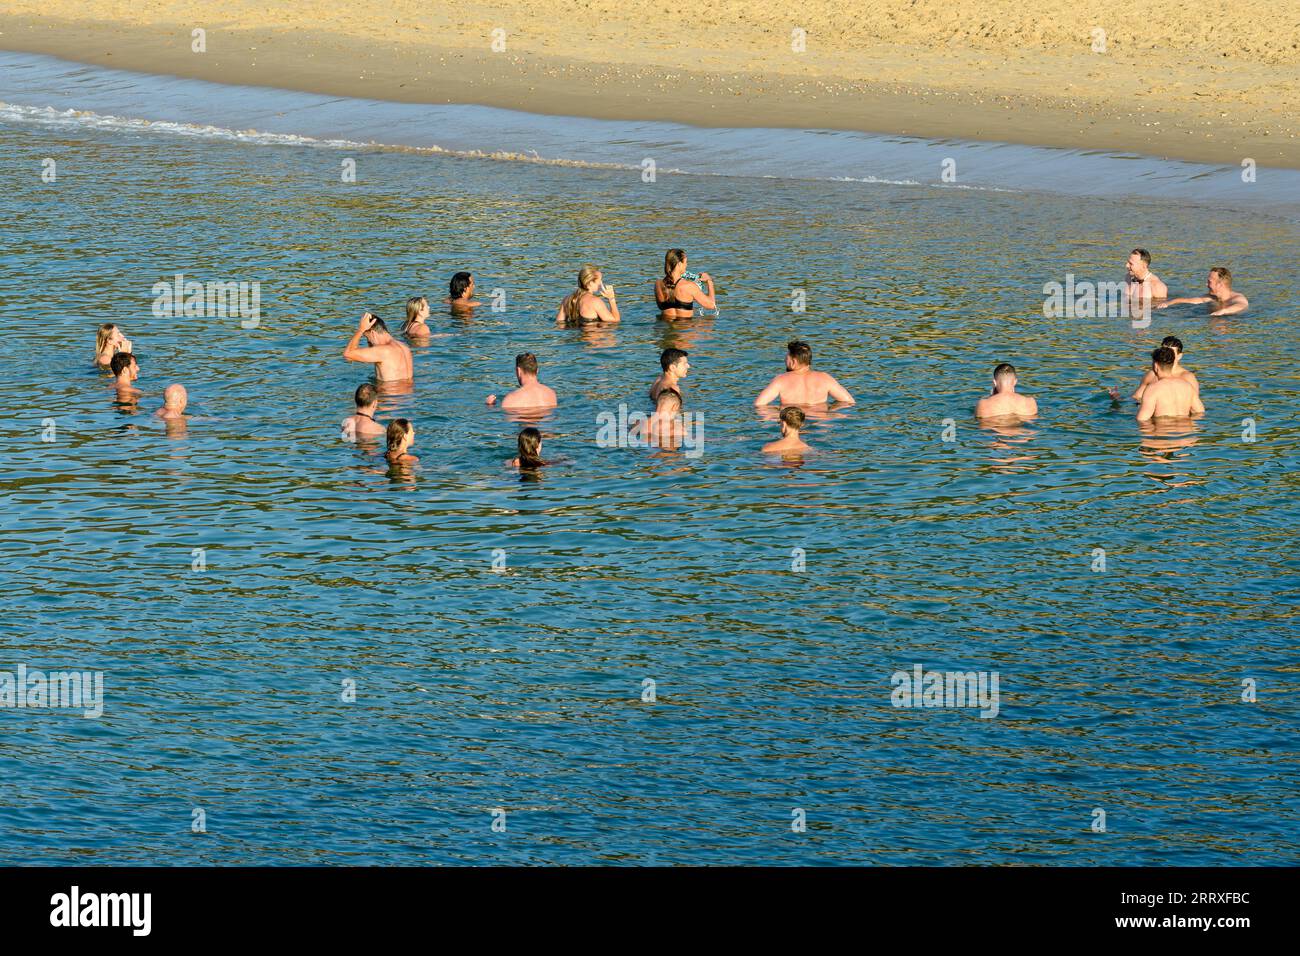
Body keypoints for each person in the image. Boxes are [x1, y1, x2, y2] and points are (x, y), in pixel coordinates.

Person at [754, 341, 855, 407]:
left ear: (793, 361)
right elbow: (849, 402)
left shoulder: (781, 380)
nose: (785, 359)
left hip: (793, 424)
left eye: (787, 357)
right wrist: (829, 413)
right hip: (819, 425)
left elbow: (759, 404)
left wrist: (778, 416)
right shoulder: (825, 378)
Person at [1136, 347, 1205, 422]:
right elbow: (1199, 412)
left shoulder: (1152, 389)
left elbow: (1142, 420)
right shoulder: (1187, 386)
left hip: (1162, 431)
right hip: (1185, 432)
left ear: (1156, 366)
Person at [343, 312, 413, 383]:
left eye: (367, 338)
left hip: (388, 392)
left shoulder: (383, 351)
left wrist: (361, 329)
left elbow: (348, 354)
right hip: (409, 393)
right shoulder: (404, 347)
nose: (368, 343)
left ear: (373, 333)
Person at [1130, 336, 1199, 401]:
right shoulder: (1152, 374)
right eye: (1164, 351)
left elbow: (1195, 405)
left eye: (1171, 352)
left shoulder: (1187, 377)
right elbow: (1137, 397)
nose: (1167, 354)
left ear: (1179, 356)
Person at [1158, 267, 1248, 316]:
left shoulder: (1237, 298)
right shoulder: (1211, 298)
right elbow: (1188, 300)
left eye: (1209, 282)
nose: (1206, 285)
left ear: (1220, 284)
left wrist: (1222, 311)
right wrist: (1168, 303)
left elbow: (1241, 306)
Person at [655, 249, 716, 318]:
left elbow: (664, 306)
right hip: (685, 327)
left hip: (664, 326)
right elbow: (712, 305)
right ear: (679, 264)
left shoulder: (658, 284)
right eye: (686, 262)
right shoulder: (689, 286)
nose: (686, 265)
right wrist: (709, 281)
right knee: (709, 325)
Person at [486, 352, 557, 409]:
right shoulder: (551, 394)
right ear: (537, 370)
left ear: (518, 371)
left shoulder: (511, 400)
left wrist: (490, 406)